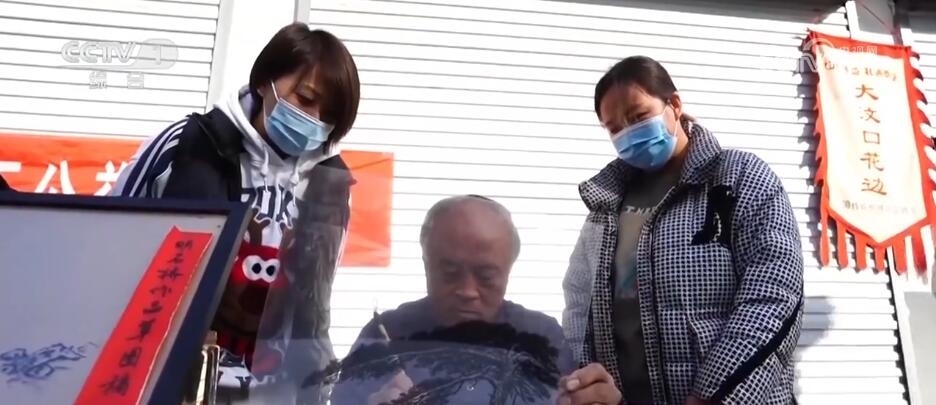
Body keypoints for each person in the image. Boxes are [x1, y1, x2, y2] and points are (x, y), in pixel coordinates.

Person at [110, 23, 360, 402]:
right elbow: (110, 244)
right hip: (177, 384)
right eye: (306, 98)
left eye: (329, 115)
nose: (314, 118)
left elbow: (316, 303)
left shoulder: (332, 188)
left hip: (276, 391)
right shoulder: (187, 147)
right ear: (264, 82)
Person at [562, 55, 804, 405]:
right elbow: (578, 304)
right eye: (614, 128)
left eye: (638, 116)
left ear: (674, 105)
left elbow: (774, 293)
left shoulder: (738, 178)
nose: (628, 133)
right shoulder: (605, 209)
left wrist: (713, 394)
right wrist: (588, 381)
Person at [330, 195, 577, 405]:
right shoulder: (384, 336)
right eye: (449, 273)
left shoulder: (541, 338)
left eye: (486, 277)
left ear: (508, 270)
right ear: (426, 264)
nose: (467, 291)